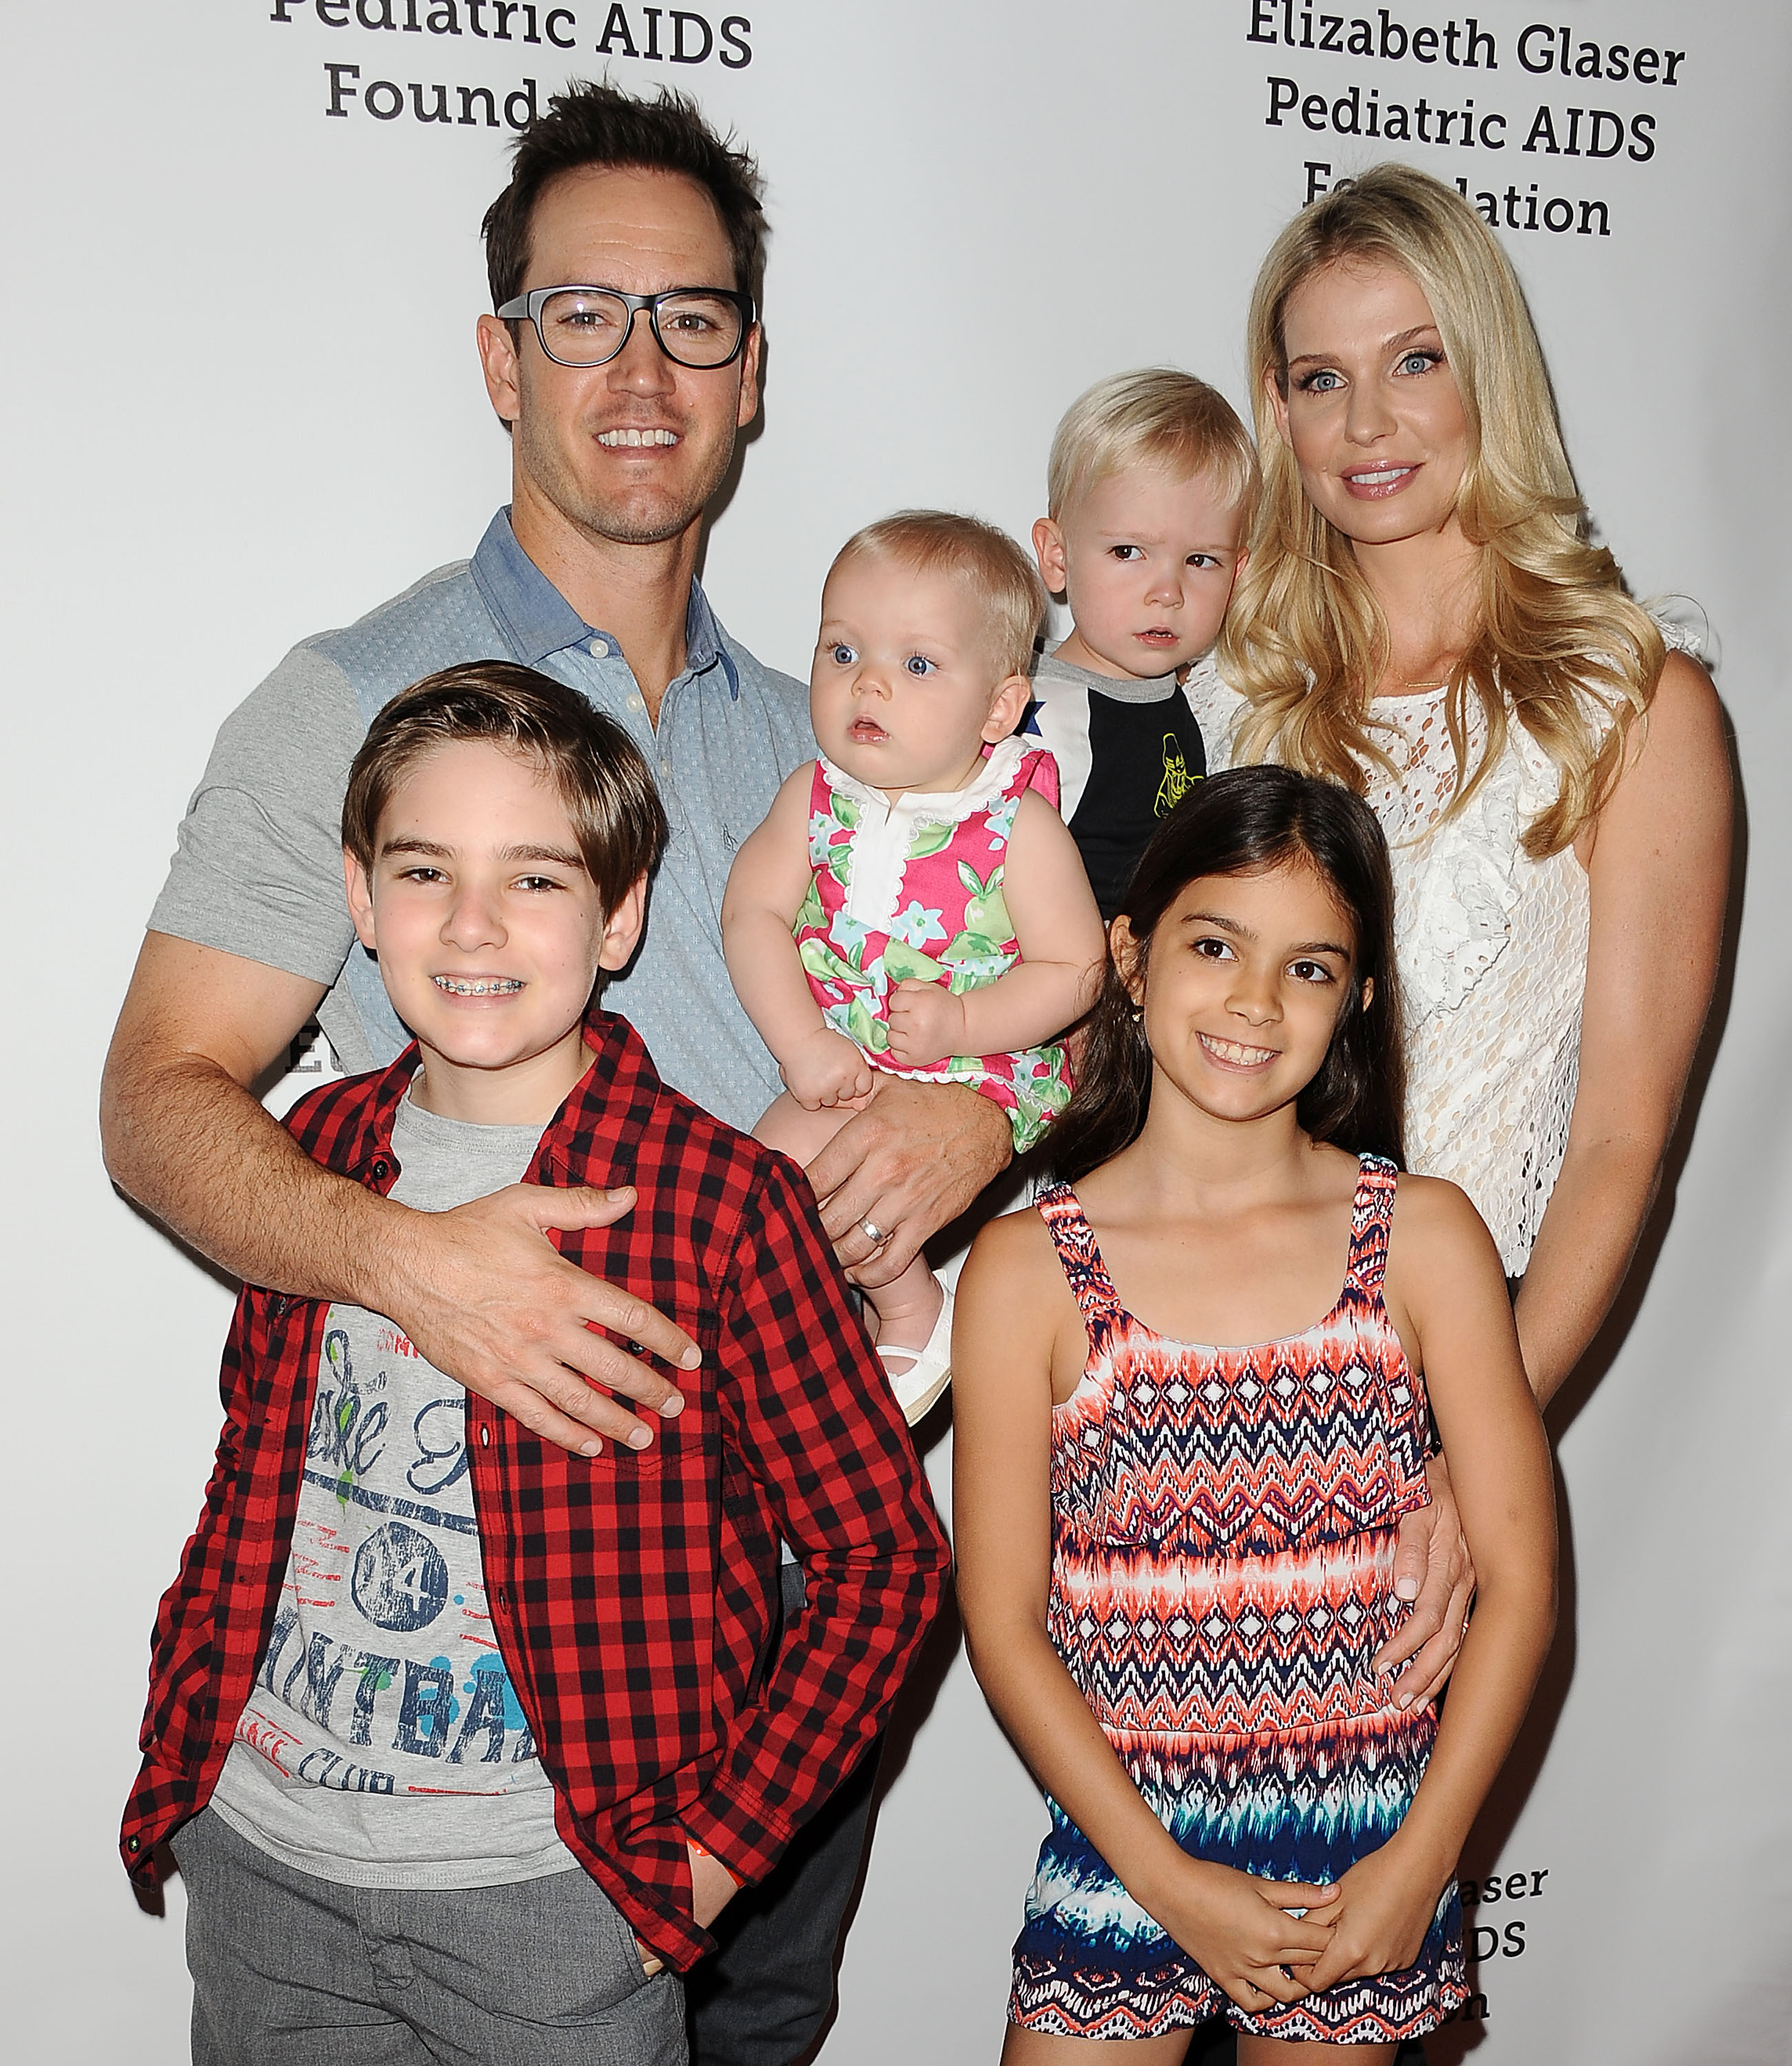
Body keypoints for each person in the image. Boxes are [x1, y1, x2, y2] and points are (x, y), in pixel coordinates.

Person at [100, 83, 1009, 2066]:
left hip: (763, 1633)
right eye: (579, 313)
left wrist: (984, 1111)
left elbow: (1079, 1003)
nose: (637, 366)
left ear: (751, 374)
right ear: (498, 353)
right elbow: (160, 1104)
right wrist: (416, 1265)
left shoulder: (860, 748)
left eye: (690, 319)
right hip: (452, 1654)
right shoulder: (356, 704)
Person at [121, 664, 950, 2064]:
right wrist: (191, 1719)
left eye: (538, 880)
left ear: (621, 913)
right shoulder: (312, 1154)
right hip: (266, 1867)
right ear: (360, 894)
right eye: (425, 870)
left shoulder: (720, 1206)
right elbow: (259, 1460)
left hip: (558, 1901)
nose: (473, 926)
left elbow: (882, 1564)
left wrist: (709, 1856)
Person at [1185, 163, 1730, 1708]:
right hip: (1167, 1394)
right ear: (1275, 415)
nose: (1365, 423)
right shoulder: (1226, 693)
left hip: (1420, 1409)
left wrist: (1469, 1450)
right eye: (1318, 378)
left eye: (1412, 360)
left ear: (1485, 369)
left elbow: (1620, 1142)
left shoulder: (1630, 706)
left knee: (1360, 1920)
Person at [954, 769, 1557, 2060]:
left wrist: (1426, 1859)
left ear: (1361, 1000)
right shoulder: (1024, 1272)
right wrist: (1169, 1883)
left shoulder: (1426, 1239)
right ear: (1131, 953)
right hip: (1122, 1846)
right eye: (1215, 945)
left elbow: (1519, 1582)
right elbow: (1003, 1625)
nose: (1251, 1001)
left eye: (1309, 969)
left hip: (1367, 1852)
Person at [723, 512, 1105, 1419]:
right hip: (847, 1054)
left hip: (980, 1062)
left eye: (918, 664)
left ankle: (910, 1307)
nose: (871, 685)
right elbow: (752, 915)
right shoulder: (814, 797)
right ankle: (810, 1348)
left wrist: (962, 1025)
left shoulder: (1017, 822)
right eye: (842, 652)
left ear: (999, 709)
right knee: (765, 1179)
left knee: (855, 1194)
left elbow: (1077, 970)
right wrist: (801, 1042)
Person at [1025, 371, 1255, 922]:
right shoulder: (1037, 709)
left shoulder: (1201, 696)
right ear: (1058, 558)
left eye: (1200, 561)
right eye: (1128, 552)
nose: (1168, 592)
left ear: (1236, 575)